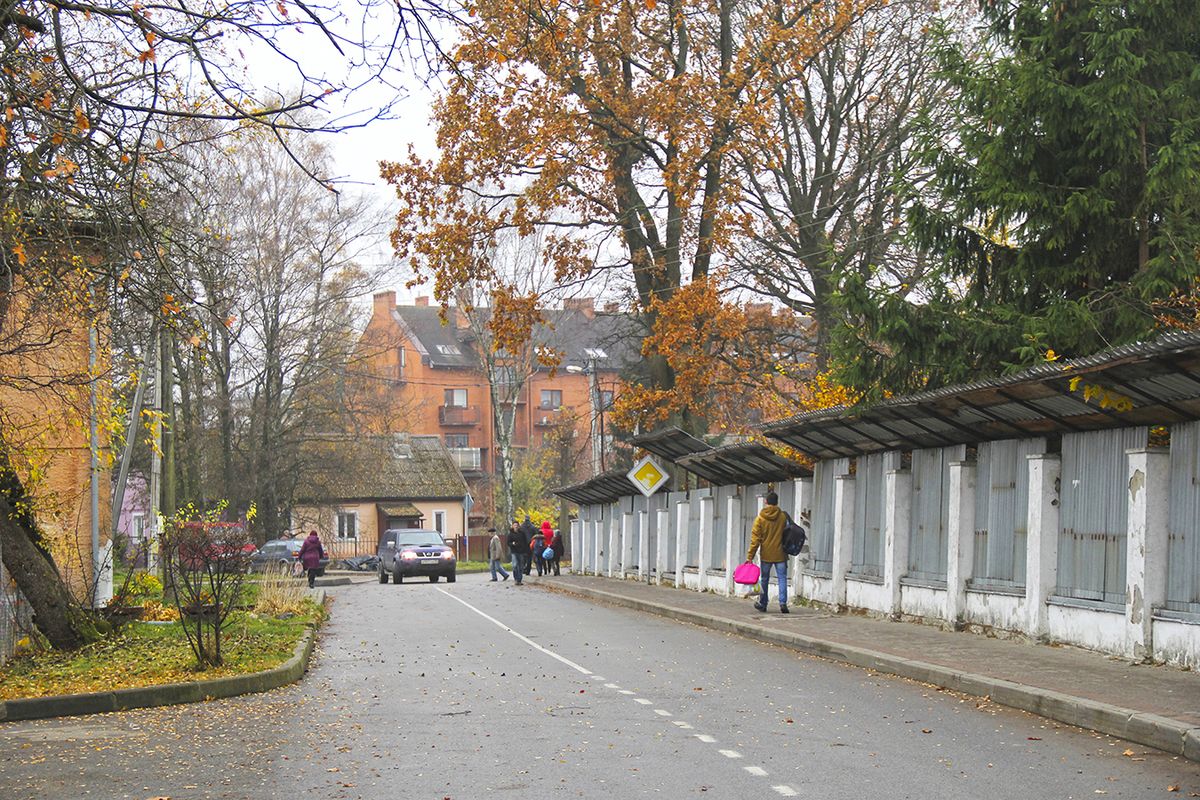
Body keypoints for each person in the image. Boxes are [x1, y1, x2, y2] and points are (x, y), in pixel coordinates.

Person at [746, 491, 789, 613]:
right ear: (777, 502)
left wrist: (750, 556)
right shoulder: (783, 517)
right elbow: (788, 533)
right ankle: (783, 603)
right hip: (781, 553)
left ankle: (763, 603)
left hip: (766, 555)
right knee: (782, 578)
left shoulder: (760, 518)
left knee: (764, 579)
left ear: (766, 502)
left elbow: (755, 539)